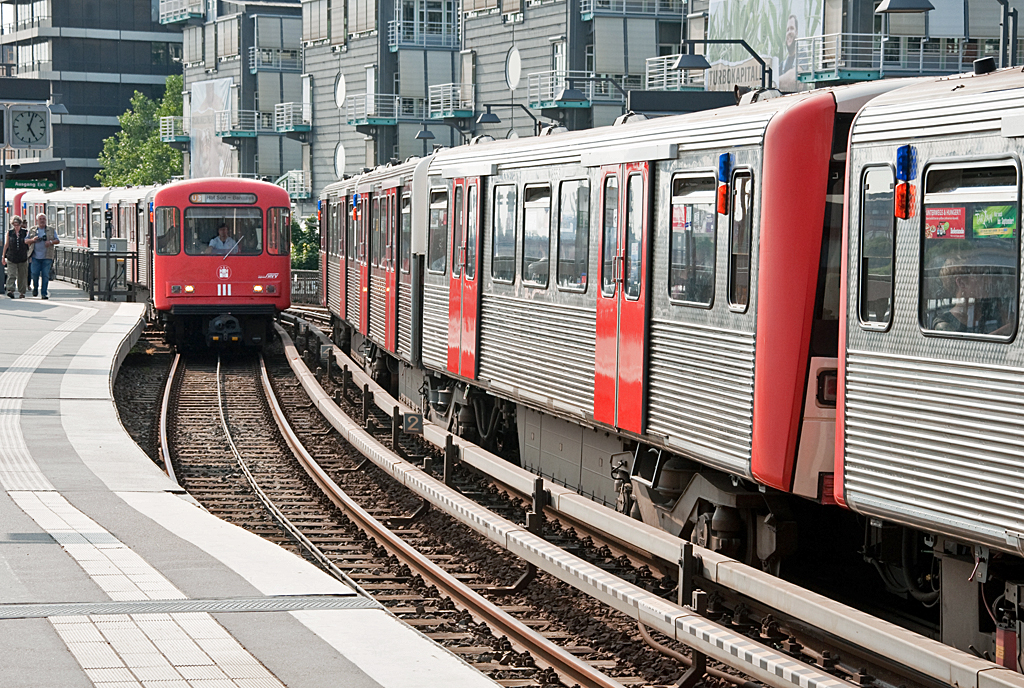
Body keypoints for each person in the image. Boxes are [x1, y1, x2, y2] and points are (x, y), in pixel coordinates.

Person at [28, 213, 58, 299]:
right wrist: (32, 240)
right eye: (40, 219)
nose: (42, 220)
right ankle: (35, 288)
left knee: (45, 275)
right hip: (35, 256)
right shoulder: (32, 230)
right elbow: (26, 241)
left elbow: (57, 240)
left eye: (44, 219)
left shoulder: (51, 230)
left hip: (47, 256)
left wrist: (50, 242)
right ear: (37, 220)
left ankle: (44, 293)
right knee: (34, 274)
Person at [3, 216, 29, 298]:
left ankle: (22, 292)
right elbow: (6, 244)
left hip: (22, 256)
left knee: (22, 275)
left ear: (20, 224)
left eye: (17, 225)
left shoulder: (25, 232)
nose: (16, 226)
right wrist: (3, 256)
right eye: (14, 225)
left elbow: (28, 243)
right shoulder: (9, 232)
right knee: (11, 274)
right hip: (11, 256)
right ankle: (10, 290)